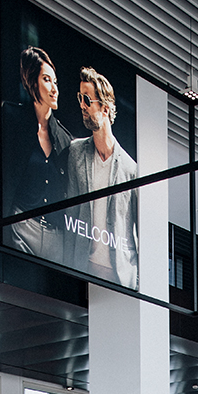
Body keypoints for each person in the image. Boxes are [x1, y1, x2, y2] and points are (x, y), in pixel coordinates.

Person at [63, 67, 138, 288]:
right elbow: (70, 212)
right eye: (80, 98)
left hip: (121, 276)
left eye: (87, 99)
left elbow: (136, 230)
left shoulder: (130, 169)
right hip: (84, 267)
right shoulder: (75, 152)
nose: (82, 106)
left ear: (105, 108)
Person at [2, 47, 72, 260]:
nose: (54, 88)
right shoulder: (12, 117)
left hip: (55, 235)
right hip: (20, 227)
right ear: (33, 82)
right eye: (46, 80)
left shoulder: (65, 139)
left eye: (55, 82)